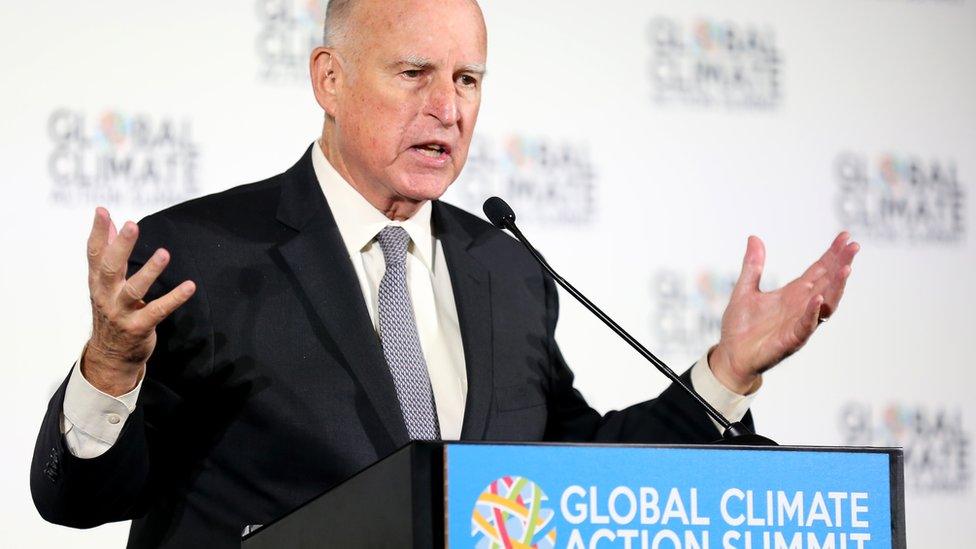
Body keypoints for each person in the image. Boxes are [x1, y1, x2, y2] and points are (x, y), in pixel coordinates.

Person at [30, 0, 859, 547]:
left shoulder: (503, 266)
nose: (449, 107)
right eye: (415, 74)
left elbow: (570, 476)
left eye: (467, 80)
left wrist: (724, 375)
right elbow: (80, 499)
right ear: (330, 79)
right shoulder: (200, 254)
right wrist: (107, 368)